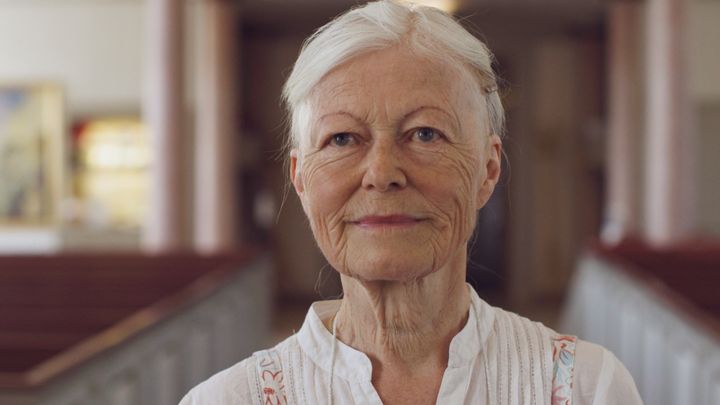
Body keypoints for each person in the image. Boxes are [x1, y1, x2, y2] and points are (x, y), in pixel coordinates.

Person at [180, 1, 643, 404]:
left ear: (487, 169)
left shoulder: (586, 388)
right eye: (342, 138)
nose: (382, 174)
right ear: (300, 178)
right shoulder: (224, 400)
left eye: (425, 133)